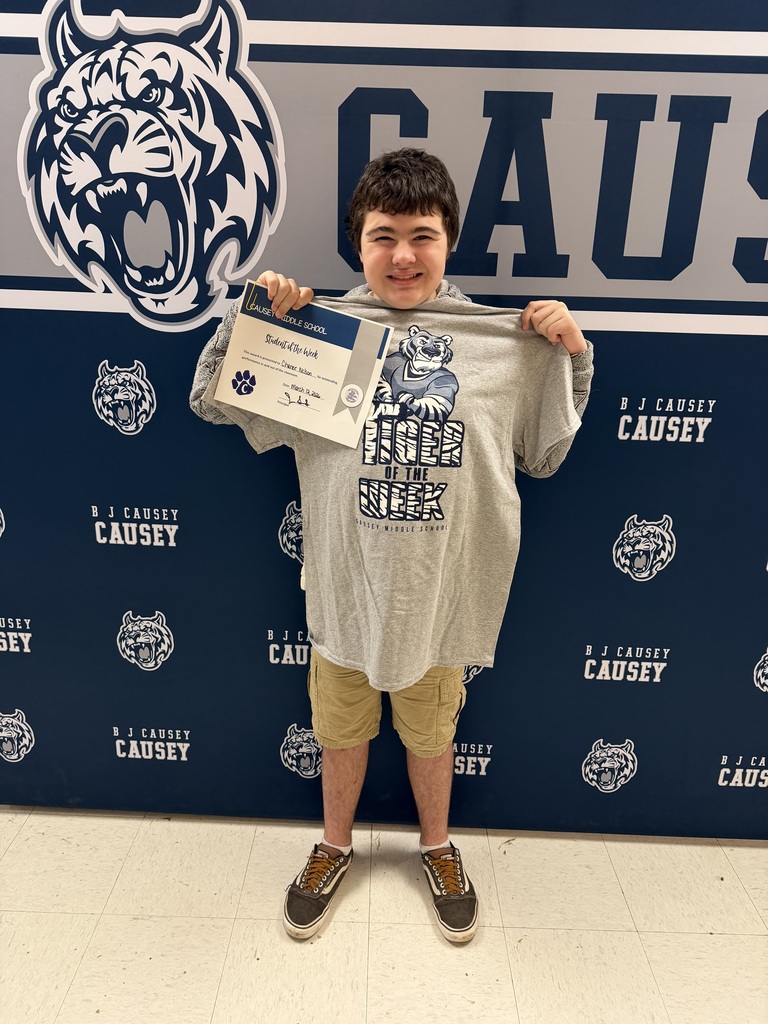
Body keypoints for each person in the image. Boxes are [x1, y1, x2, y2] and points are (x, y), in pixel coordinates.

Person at [190, 148, 593, 944]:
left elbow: (545, 456)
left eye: (422, 234)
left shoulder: (503, 345)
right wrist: (251, 324)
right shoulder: (321, 337)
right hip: (342, 593)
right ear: (357, 244)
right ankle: (334, 844)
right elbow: (210, 400)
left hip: (438, 604)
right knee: (339, 730)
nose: (403, 254)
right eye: (383, 236)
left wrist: (571, 358)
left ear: (450, 242)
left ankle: (436, 847)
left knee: (432, 733)